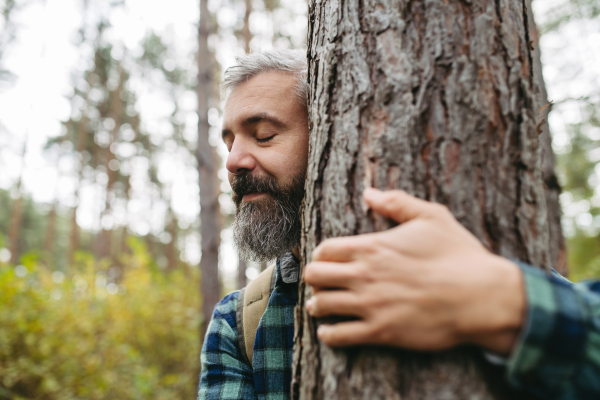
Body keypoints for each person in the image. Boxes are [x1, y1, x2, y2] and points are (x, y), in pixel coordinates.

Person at [197, 49, 600, 400]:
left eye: (264, 135)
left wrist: (502, 304)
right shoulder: (236, 325)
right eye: (229, 142)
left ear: (329, 136)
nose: (233, 161)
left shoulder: (503, 276)